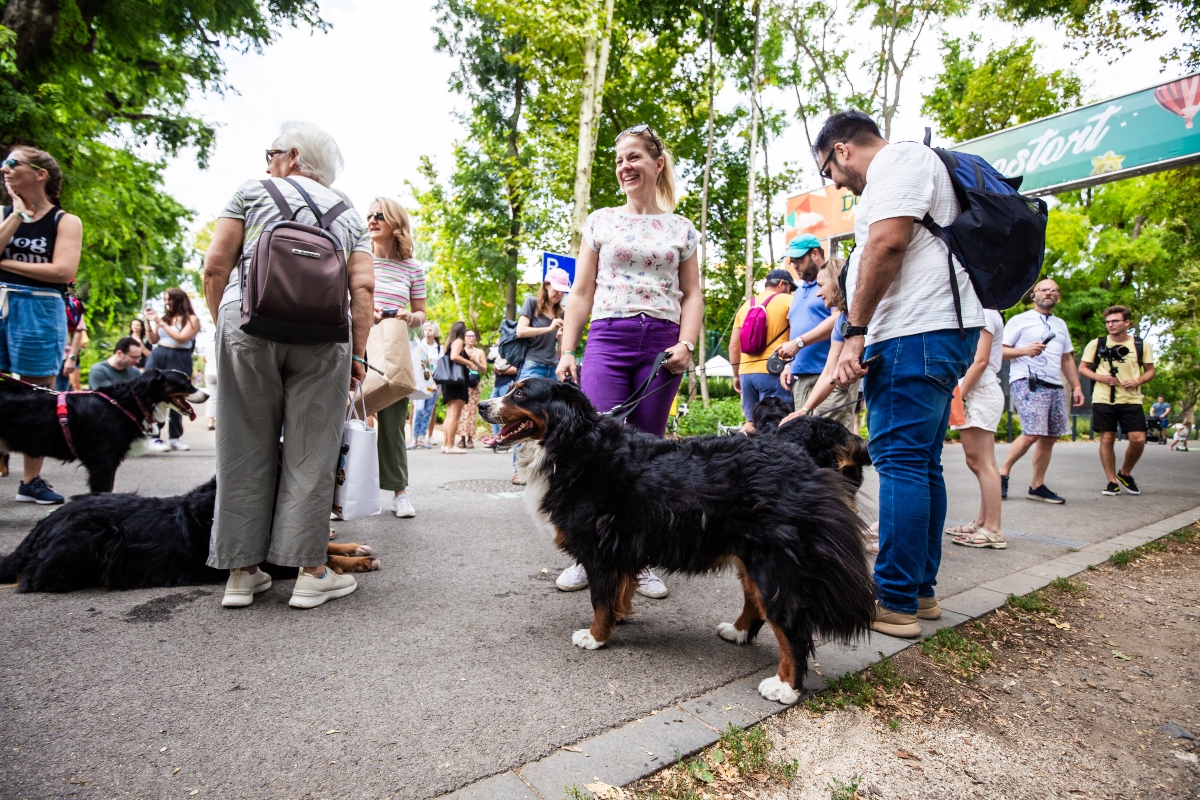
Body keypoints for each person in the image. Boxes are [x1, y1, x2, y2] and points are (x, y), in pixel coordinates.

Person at [815, 110, 984, 638]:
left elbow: (888, 244)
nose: (834, 181)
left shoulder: (899, 161)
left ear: (843, 149)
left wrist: (859, 330)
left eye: (828, 168)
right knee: (922, 465)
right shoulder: (913, 166)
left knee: (902, 463)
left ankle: (893, 598)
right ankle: (919, 591)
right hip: (932, 333)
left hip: (915, 334)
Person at [201, 120, 372, 610]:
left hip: (248, 323)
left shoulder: (252, 191)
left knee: (242, 444)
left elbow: (216, 266)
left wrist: (225, 327)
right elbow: (362, 289)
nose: (267, 161)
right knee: (311, 452)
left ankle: (242, 574)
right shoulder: (349, 214)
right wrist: (358, 356)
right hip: (323, 334)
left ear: (292, 156)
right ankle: (311, 574)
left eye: (271, 151)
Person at [555, 123, 702, 600]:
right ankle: (588, 552)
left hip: (661, 343)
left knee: (648, 454)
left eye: (634, 157)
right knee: (596, 450)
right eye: (619, 159)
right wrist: (567, 350)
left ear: (657, 164)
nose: (625, 166)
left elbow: (694, 294)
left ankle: (641, 558)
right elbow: (580, 292)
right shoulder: (601, 221)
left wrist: (686, 344)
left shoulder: (681, 229)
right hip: (609, 337)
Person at [1, 146, 83, 505]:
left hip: (41, 307)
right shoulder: (4, 214)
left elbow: (63, 272)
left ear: (39, 174)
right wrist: (16, 216)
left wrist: (5, 264)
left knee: (37, 393)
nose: (4, 168)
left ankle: (30, 481)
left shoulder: (65, 221)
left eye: (12, 163)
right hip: (2, 304)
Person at [998, 279, 1085, 505]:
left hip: (1055, 384)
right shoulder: (1019, 320)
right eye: (1044, 289)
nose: (1049, 292)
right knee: (1032, 432)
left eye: (1054, 290)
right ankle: (1002, 473)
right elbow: (998, 351)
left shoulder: (1061, 325)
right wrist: (1025, 350)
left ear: (1059, 297)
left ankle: (1037, 486)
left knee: (1050, 435)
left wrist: (1076, 386)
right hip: (1027, 381)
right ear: (1033, 295)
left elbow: (1067, 359)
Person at [368, 196, 426, 518]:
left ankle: (399, 492)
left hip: (392, 348)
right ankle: (341, 491)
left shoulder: (413, 268)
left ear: (395, 224)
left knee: (392, 421)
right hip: (357, 343)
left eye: (380, 215)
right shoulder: (357, 258)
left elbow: (422, 315)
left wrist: (407, 317)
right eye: (370, 215)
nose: (372, 220)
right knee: (347, 417)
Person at [944, 309, 1007, 548]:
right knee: (981, 462)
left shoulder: (985, 312)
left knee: (981, 462)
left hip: (978, 393)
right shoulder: (983, 311)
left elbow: (980, 361)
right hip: (976, 393)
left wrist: (958, 396)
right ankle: (983, 521)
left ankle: (992, 529)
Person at [1077, 305, 1155, 497]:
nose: (1110, 325)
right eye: (1108, 322)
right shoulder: (1097, 344)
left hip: (1131, 399)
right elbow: (1083, 368)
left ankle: (1125, 474)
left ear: (1126, 322)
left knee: (1138, 439)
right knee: (1107, 438)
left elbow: (1151, 370)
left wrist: (1137, 381)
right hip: (1104, 398)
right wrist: (1101, 378)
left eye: (1115, 321)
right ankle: (1112, 481)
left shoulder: (1140, 345)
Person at [778, 258, 859, 433]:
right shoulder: (841, 323)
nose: (818, 293)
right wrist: (804, 410)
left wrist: (799, 342)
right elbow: (829, 371)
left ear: (837, 283)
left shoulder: (854, 317)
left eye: (821, 286)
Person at [775, 235, 846, 418]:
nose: (794, 266)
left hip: (830, 372)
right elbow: (796, 329)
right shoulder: (798, 292)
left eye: (798, 260)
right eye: (792, 262)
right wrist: (789, 365)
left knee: (829, 440)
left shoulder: (834, 282)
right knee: (801, 435)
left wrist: (799, 342)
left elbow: (840, 318)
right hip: (801, 376)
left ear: (815, 253)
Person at [510, 269, 569, 483]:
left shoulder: (562, 312)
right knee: (522, 415)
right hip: (532, 365)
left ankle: (542, 468)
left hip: (551, 367)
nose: (559, 294)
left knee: (547, 419)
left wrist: (560, 337)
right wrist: (549, 328)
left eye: (563, 291)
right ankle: (519, 468)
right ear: (546, 285)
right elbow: (520, 331)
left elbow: (561, 351)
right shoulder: (531, 303)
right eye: (556, 289)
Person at [729, 269, 795, 424]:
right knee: (778, 425)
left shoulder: (746, 305)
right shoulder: (787, 300)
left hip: (746, 374)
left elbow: (733, 346)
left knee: (751, 423)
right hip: (774, 372)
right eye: (790, 288)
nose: (791, 292)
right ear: (782, 284)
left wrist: (736, 375)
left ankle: (740, 448)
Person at [144, 287, 201, 452]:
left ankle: (175, 437)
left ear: (178, 300)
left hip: (179, 356)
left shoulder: (192, 319)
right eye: (165, 299)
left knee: (176, 395)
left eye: (169, 299)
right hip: (158, 354)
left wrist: (160, 323)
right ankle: (154, 436)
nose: (166, 302)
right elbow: (153, 339)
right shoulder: (165, 318)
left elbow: (181, 337)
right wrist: (149, 322)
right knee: (153, 394)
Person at [439, 321, 475, 455]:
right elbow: (454, 356)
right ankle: (450, 445)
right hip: (457, 382)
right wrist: (469, 362)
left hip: (449, 382)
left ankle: (446, 444)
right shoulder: (459, 341)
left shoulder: (450, 342)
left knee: (449, 415)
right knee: (454, 415)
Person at [412, 321, 442, 450]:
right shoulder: (418, 345)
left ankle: (422, 438)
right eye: (426, 329)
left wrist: (436, 382)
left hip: (433, 383)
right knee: (418, 409)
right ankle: (414, 438)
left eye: (430, 330)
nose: (428, 332)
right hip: (420, 382)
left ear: (435, 332)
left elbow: (440, 367)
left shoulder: (439, 348)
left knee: (428, 411)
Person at [455, 330, 487, 448]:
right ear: (464, 337)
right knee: (462, 411)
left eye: (473, 336)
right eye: (468, 336)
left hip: (474, 384)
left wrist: (476, 361)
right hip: (462, 383)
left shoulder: (479, 352)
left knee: (472, 412)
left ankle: (470, 438)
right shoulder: (460, 351)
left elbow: (484, 369)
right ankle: (461, 438)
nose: (471, 338)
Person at [482, 348, 518, 447]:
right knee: (491, 410)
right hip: (497, 384)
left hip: (508, 384)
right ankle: (497, 439)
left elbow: (515, 369)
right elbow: (489, 361)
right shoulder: (498, 352)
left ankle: (508, 440)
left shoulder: (513, 351)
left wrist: (500, 371)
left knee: (508, 412)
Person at [56, 288, 86, 392]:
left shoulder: (72, 303)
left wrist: (72, 358)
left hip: (62, 357)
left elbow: (78, 332)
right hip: (39, 353)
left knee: (58, 394)